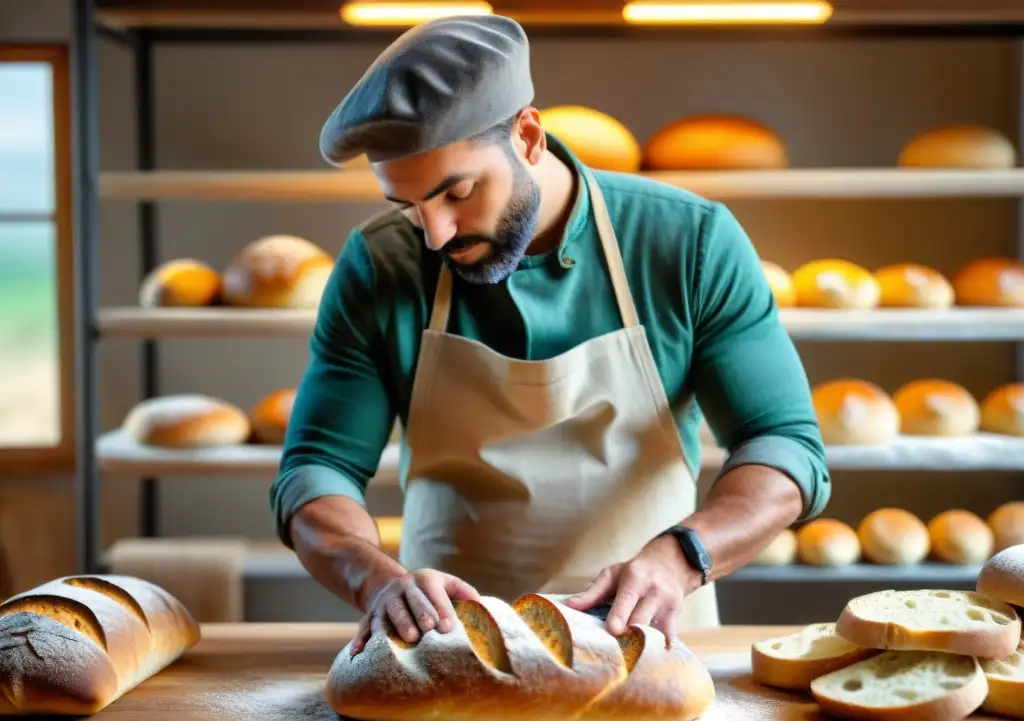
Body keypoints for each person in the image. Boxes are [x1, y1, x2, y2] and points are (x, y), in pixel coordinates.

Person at [270, 14, 830, 655]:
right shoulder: (381, 265)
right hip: (448, 646)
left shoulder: (688, 243)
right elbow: (318, 468)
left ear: (529, 137)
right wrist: (376, 582)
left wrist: (684, 556)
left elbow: (784, 446)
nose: (436, 235)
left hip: (645, 641)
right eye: (410, 207)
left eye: (458, 192)